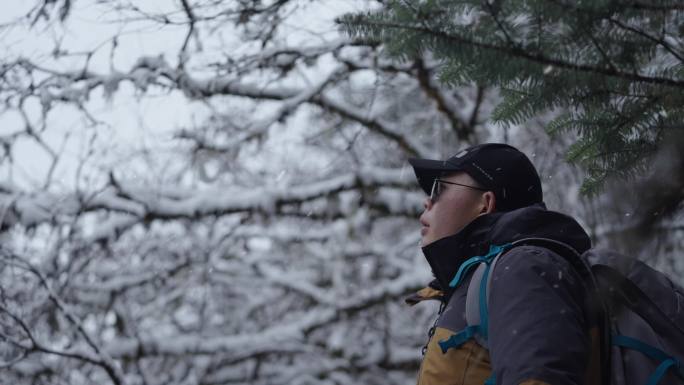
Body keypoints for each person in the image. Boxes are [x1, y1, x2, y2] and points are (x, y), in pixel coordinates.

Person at [406, 143, 602, 385]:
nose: (428, 201)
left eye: (440, 189)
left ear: (485, 204)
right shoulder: (481, 281)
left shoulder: (523, 268)